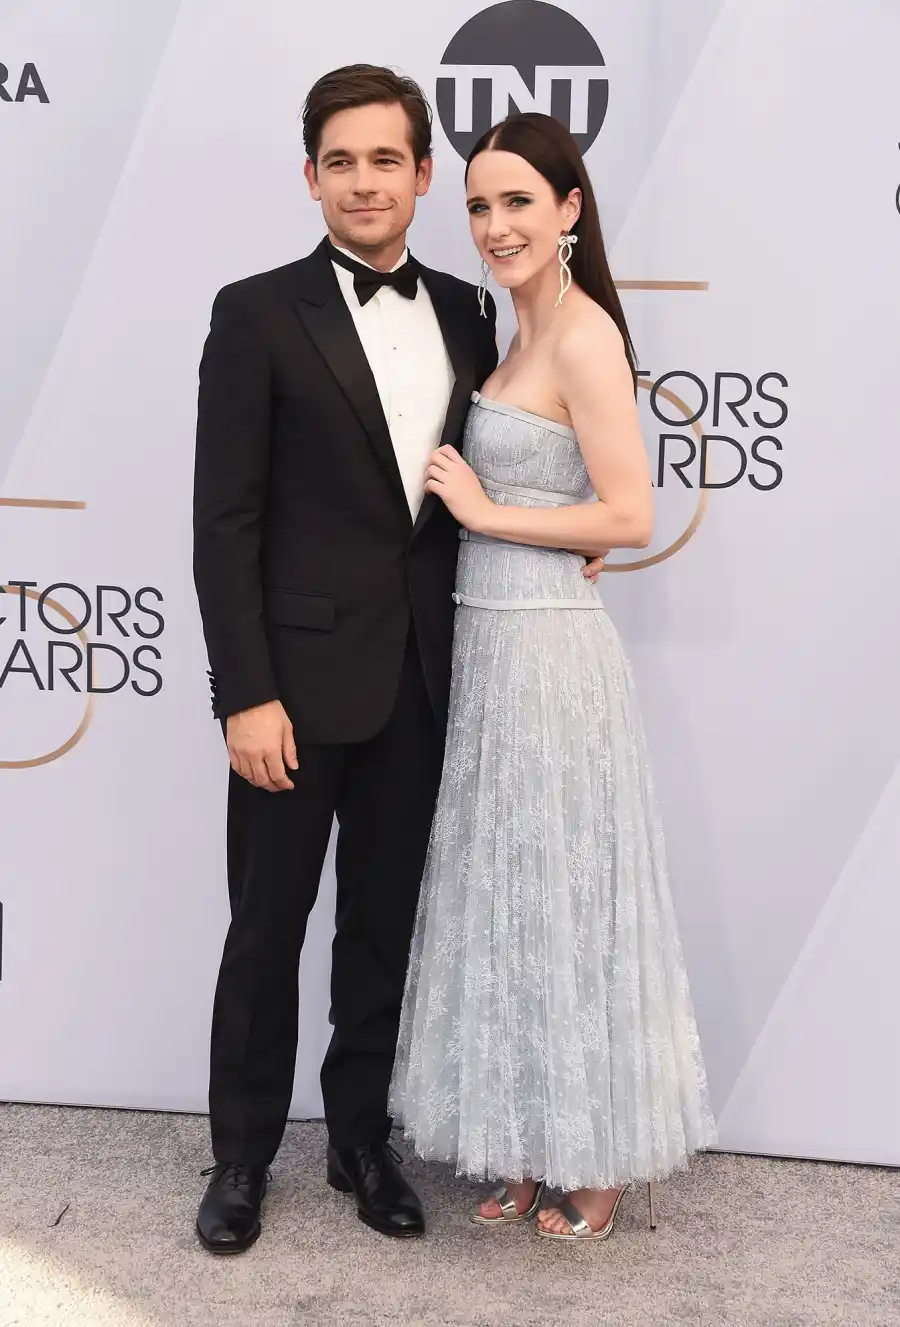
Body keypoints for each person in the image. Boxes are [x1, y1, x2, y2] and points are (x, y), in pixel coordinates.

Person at [191, 64, 508, 1251]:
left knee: (383, 923)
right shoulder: (256, 311)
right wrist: (247, 693)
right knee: (265, 926)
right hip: (295, 690)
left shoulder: (473, 314)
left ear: (424, 176)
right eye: (343, 160)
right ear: (312, 175)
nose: (365, 181)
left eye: (388, 159)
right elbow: (224, 520)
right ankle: (239, 1156)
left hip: (426, 681)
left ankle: (362, 1139)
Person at [389, 112, 717, 1242]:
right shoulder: (504, 331)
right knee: (510, 896)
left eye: (520, 200)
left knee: (567, 899)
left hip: (549, 661)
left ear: (570, 209)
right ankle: (535, 1138)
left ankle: (600, 1162)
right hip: (488, 649)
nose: (495, 225)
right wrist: (514, 526)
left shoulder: (582, 336)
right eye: (479, 204)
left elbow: (630, 512)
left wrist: (486, 511)